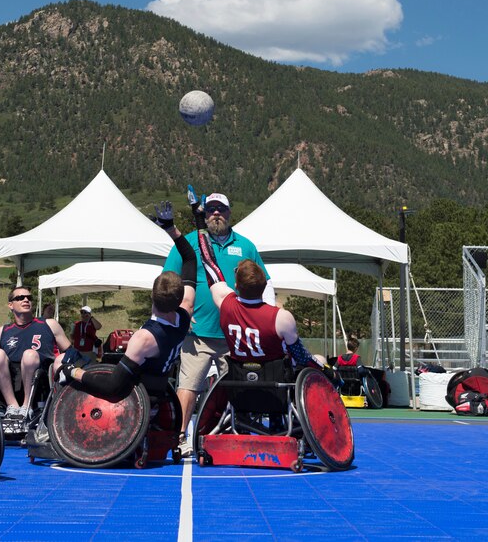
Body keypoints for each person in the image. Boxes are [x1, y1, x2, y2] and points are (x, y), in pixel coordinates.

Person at [163, 191, 272, 449]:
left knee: (240, 388)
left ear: (229, 212)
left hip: (235, 336)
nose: (215, 213)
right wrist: (178, 312)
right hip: (196, 334)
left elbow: (263, 284)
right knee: (188, 386)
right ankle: (179, 437)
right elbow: (169, 279)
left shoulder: (246, 246)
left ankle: (239, 435)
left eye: (220, 209)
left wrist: (262, 317)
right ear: (203, 213)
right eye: (210, 209)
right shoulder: (188, 243)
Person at [57, 202, 196, 399]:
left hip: (136, 398)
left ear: (152, 295)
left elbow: (112, 386)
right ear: (179, 298)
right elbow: (190, 259)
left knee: (60, 363)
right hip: (160, 388)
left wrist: (73, 372)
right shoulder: (186, 312)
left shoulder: (144, 338)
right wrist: (171, 229)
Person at [198, 234, 323, 371]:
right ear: (264, 285)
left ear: (236, 285)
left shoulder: (226, 305)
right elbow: (302, 357)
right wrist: (329, 371)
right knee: (320, 359)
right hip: (274, 383)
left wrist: (201, 225)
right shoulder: (281, 317)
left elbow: (209, 263)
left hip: (239, 380)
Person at [0, 286, 73, 421]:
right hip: (11, 380)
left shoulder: (49, 324)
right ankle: (12, 406)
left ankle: (27, 406)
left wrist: (61, 360)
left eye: (29, 298)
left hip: (41, 377)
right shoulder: (3, 330)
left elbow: (70, 352)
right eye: (20, 298)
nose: (26, 300)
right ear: (11, 305)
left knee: (29, 355)